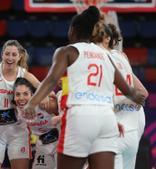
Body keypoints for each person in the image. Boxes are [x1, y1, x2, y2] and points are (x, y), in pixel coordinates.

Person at [23, 6, 146, 169]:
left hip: (80, 116)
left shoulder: (68, 51)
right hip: (107, 119)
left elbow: (52, 79)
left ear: (73, 30)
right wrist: (137, 97)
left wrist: (32, 103)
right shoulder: (106, 55)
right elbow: (127, 89)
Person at [91, 22, 149, 169]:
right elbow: (143, 93)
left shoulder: (97, 58)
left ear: (107, 38)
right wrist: (124, 101)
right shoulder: (122, 57)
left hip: (113, 132)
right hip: (131, 134)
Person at [0, 40, 41, 169]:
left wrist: (35, 102)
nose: (10, 58)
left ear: (19, 56)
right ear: (2, 54)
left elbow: (43, 88)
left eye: (14, 55)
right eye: (7, 54)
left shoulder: (24, 74)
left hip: (18, 131)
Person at [13, 77, 59, 169]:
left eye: (25, 94)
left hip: (61, 143)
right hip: (43, 146)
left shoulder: (45, 103)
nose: (21, 98)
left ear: (33, 95)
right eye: (17, 94)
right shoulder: (15, 111)